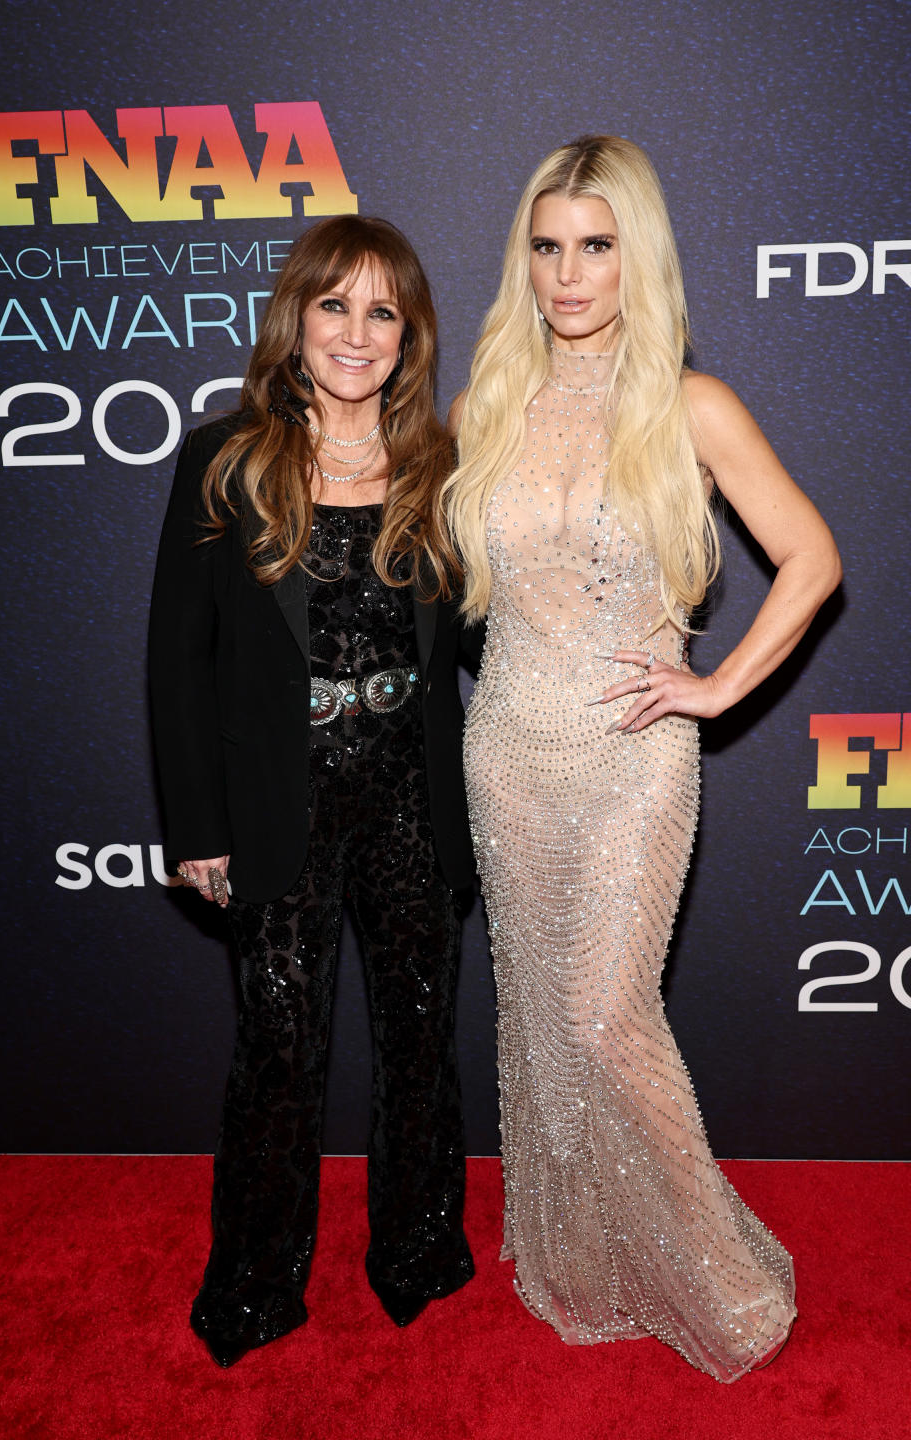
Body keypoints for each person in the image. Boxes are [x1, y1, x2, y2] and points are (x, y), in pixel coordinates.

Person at [443, 135, 841, 1382]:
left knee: (604, 1016)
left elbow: (814, 559)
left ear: (639, 255)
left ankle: (714, 1276)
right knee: (540, 1023)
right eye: (548, 247)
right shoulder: (486, 405)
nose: (569, 275)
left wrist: (717, 688)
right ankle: (582, 1258)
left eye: (597, 246)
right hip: (507, 748)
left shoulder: (689, 402)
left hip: (631, 756)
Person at [149, 215, 476, 1367]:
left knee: (421, 1036)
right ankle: (254, 1280)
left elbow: (498, 623)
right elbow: (175, 660)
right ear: (297, 319)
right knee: (280, 1046)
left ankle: (422, 1248)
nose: (356, 331)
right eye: (335, 304)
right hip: (279, 799)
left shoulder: (443, 467)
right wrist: (195, 823)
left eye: (381, 310)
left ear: (408, 335)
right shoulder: (225, 457)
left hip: (412, 796)